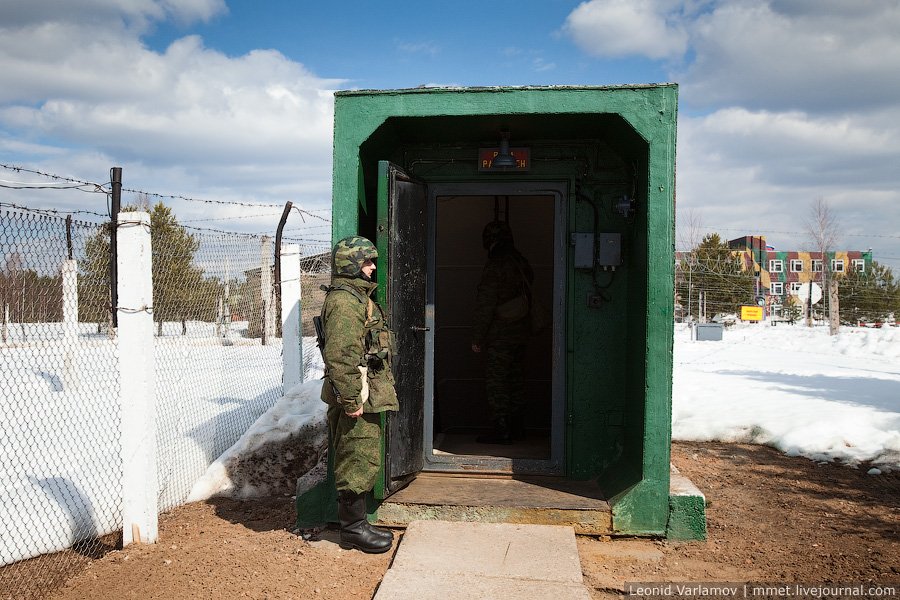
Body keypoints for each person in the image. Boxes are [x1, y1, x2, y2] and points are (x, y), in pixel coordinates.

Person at [320, 235, 397, 553]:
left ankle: (357, 524)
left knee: (361, 455)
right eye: (366, 261)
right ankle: (352, 529)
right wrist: (352, 399)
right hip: (358, 393)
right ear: (351, 264)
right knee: (356, 457)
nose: (372, 266)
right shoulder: (346, 301)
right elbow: (340, 354)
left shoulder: (355, 296)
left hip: (365, 390)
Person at [470, 220, 533, 444]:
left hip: (501, 334)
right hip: (521, 332)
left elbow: (486, 303)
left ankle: (501, 428)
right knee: (516, 379)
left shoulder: (496, 264)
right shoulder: (520, 261)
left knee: (497, 381)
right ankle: (517, 428)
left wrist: (477, 337)